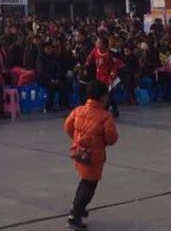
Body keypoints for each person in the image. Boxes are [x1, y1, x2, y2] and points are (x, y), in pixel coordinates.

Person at [63, 80, 118, 230]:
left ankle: (79, 208)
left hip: (79, 153)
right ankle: (75, 215)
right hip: (94, 157)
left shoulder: (78, 110)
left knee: (84, 181)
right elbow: (111, 139)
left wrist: (77, 139)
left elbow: (67, 126)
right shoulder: (105, 116)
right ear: (103, 97)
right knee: (88, 187)